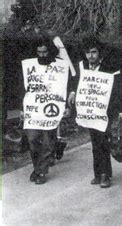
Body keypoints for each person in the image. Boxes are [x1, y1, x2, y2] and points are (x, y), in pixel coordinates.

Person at [69, 37, 122, 188]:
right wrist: (73, 92)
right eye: (87, 53)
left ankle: (105, 175)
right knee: (95, 142)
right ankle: (98, 173)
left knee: (102, 142)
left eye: (93, 52)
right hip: (90, 111)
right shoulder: (82, 66)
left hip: (106, 111)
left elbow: (119, 89)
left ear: (99, 52)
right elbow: (76, 81)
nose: (90, 56)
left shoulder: (110, 67)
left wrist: (121, 110)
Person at [20, 37, 72, 184]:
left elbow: (67, 85)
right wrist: (21, 108)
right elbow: (23, 87)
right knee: (32, 139)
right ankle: (38, 166)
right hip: (33, 110)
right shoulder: (29, 66)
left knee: (48, 141)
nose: (42, 55)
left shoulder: (61, 67)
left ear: (50, 51)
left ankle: (41, 171)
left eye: (44, 52)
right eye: (39, 52)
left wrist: (68, 105)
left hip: (51, 111)